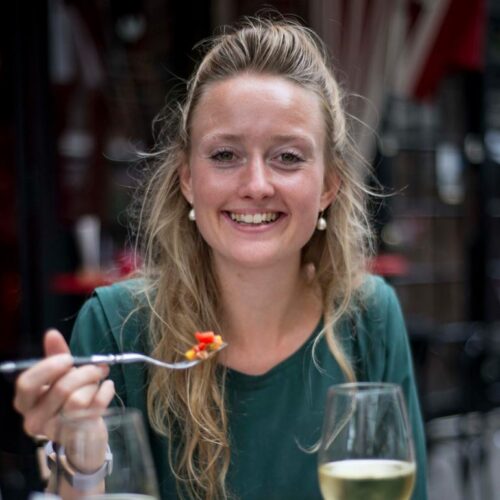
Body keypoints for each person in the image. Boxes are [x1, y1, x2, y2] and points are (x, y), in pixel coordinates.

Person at [13, 16, 427, 500]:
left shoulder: (369, 316)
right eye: (226, 155)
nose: (256, 185)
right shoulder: (117, 326)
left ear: (329, 186)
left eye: (288, 157)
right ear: (188, 178)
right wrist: (79, 459)